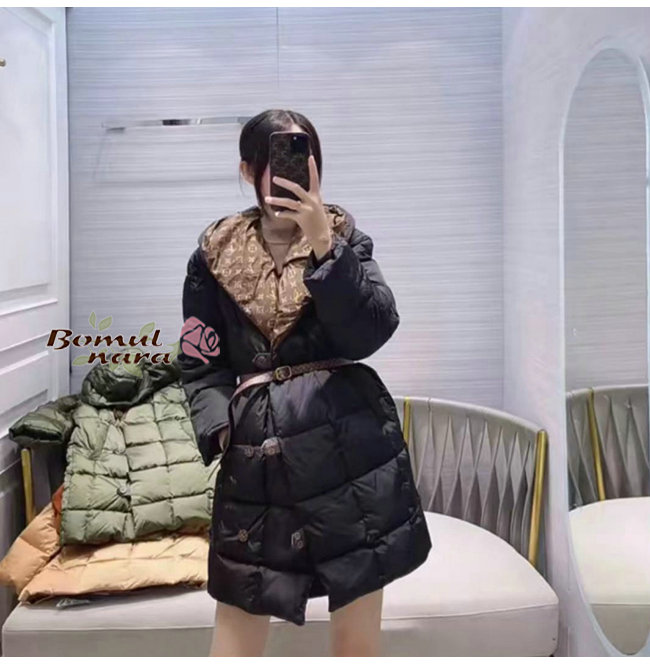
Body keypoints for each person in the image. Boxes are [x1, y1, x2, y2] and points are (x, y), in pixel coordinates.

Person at [178, 109, 432, 657]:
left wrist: (324, 245)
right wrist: (222, 428)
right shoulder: (213, 253)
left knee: (356, 646)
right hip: (257, 461)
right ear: (249, 170)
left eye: (302, 155)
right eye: (274, 158)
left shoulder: (345, 238)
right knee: (234, 641)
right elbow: (199, 358)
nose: (290, 169)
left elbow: (370, 332)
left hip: (350, 455)